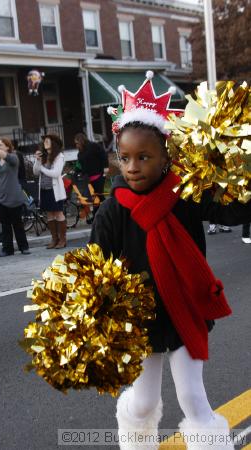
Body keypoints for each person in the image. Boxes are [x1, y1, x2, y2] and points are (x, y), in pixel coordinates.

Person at [90, 73, 251, 450]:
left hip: (182, 313)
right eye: (125, 157)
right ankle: (135, 440)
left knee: (193, 398)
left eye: (143, 157)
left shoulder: (186, 195)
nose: (132, 166)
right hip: (141, 319)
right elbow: (97, 266)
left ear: (166, 157)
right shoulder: (113, 211)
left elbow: (229, 210)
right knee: (143, 401)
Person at [33, 134, 67, 249]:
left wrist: (42, 168)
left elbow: (56, 173)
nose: (45, 142)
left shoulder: (59, 156)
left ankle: (62, 240)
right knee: (49, 214)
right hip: (44, 190)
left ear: (54, 142)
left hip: (55, 190)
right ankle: (54, 239)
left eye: (48, 140)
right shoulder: (44, 156)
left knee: (58, 213)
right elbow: (36, 173)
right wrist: (37, 161)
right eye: (44, 141)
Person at [74, 132, 109, 219]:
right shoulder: (80, 153)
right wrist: (77, 172)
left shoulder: (93, 146)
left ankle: (98, 215)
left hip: (98, 176)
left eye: (77, 143)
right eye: (75, 144)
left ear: (81, 141)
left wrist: (106, 167)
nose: (76, 145)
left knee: (98, 196)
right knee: (96, 197)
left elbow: (103, 155)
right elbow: (81, 165)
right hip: (89, 178)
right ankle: (102, 214)